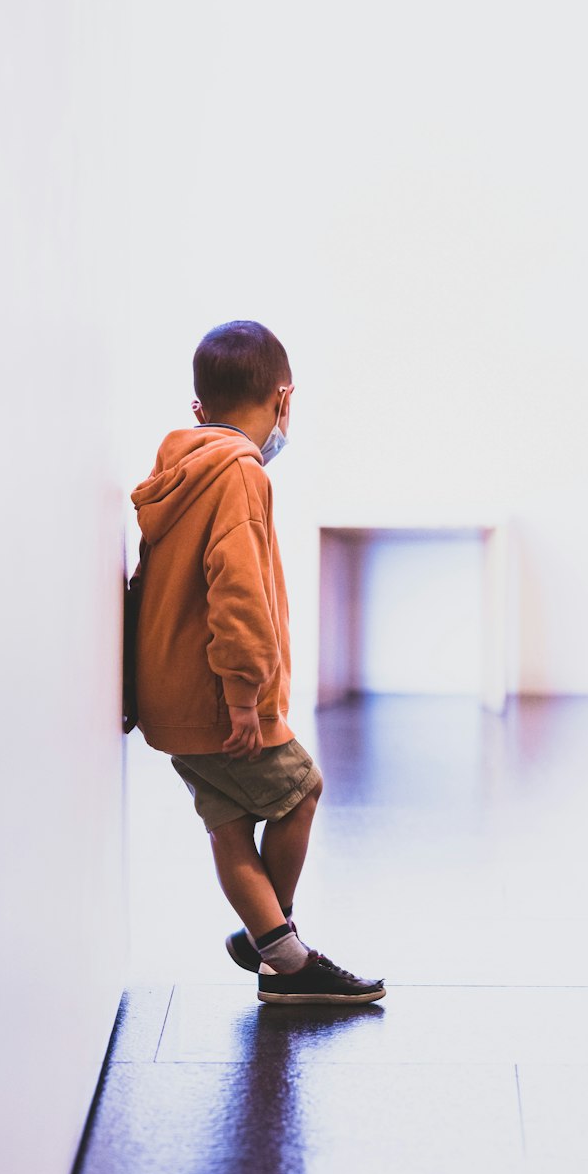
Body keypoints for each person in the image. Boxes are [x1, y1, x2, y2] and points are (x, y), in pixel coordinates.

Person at [130, 320, 385, 1005]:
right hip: (220, 697)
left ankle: (266, 939)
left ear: (198, 410)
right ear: (284, 400)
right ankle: (286, 954)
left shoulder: (175, 472)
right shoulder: (240, 476)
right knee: (300, 790)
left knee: (229, 818)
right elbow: (236, 592)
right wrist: (246, 695)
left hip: (170, 697)